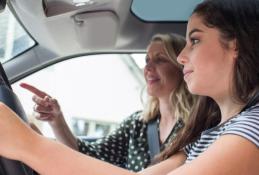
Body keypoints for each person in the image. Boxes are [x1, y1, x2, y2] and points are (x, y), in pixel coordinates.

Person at [0, 0, 258, 174]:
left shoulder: (251, 129)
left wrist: (28, 144)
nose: (182, 57)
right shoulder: (207, 136)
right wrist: (33, 140)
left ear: (235, 45)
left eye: (195, 40)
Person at [19, 33, 196, 171]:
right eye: (147, 60)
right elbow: (91, 156)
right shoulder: (138, 123)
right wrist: (56, 121)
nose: (148, 67)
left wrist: (35, 145)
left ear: (181, 67)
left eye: (160, 59)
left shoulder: (196, 126)